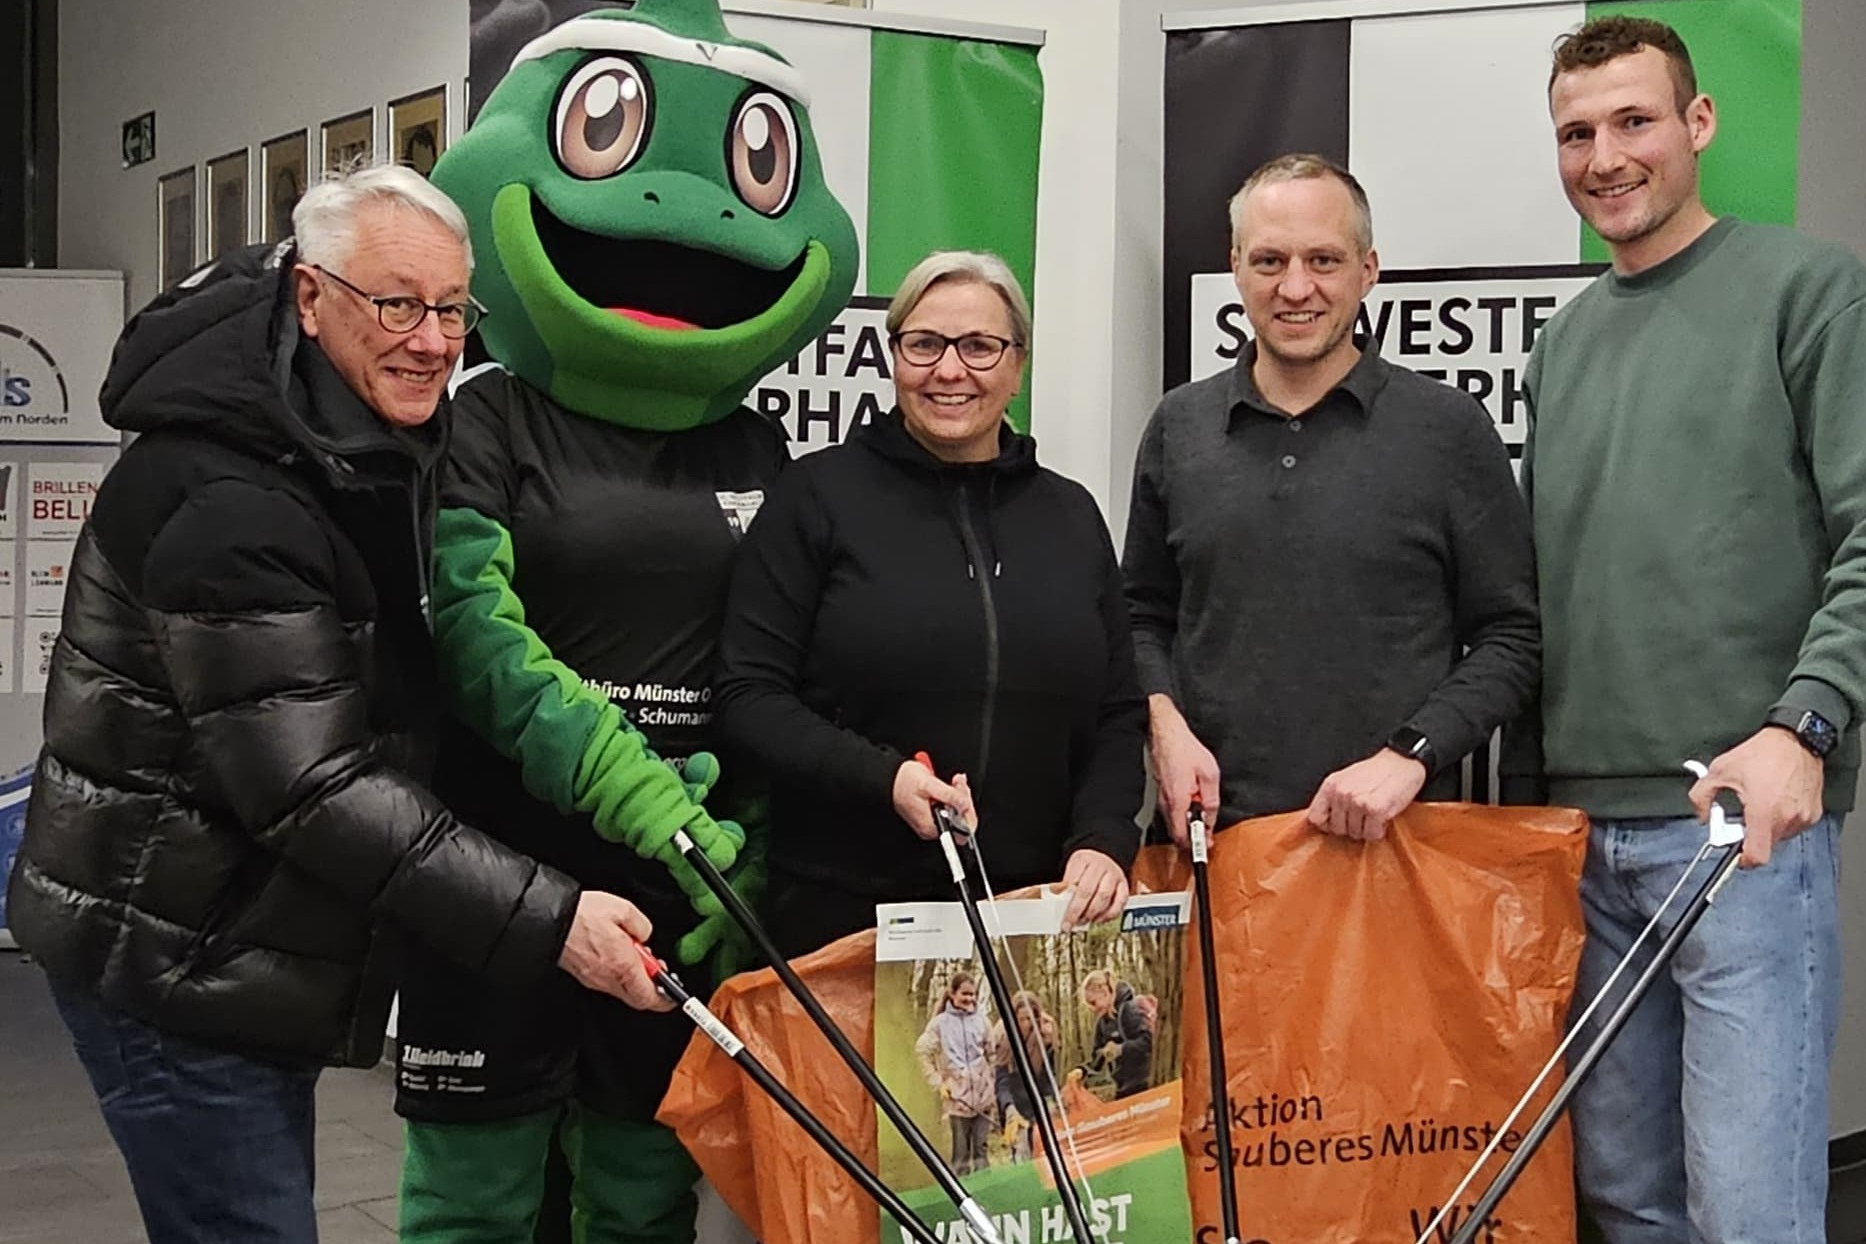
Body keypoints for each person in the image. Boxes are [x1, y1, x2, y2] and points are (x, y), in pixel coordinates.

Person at [2, 164, 670, 1244]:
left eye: (454, 308)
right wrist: (553, 916)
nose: (432, 338)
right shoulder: (229, 496)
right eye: (396, 302)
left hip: (242, 935)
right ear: (310, 298)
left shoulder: (356, 438)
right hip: (171, 953)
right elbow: (311, 783)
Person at [1517, 18, 1861, 1242]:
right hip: (1582, 839)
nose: (1604, 156)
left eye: (1633, 121)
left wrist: (1804, 723)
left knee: (1750, 1209)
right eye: (1576, 131)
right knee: (1628, 1202)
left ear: (1699, 122)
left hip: (1738, 831)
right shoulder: (1561, 345)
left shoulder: (1812, 290)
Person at [713, 249, 1147, 957]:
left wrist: (1103, 840)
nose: (950, 370)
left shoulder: (1071, 516)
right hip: (846, 916)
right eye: (924, 344)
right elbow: (747, 695)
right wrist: (885, 778)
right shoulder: (815, 497)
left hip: (1034, 914)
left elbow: (1118, 712)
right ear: (892, 357)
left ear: (1018, 364)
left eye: (979, 346)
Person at [1124, 153, 1539, 845]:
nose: (1295, 288)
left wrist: (1412, 754)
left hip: (1398, 854)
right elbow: (1140, 617)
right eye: (1269, 261)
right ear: (1235, 267)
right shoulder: (1180, 426)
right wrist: (1163, 727)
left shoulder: (1448, 429)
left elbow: (1513, 638)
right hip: (1215, 852)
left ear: (1367, 270)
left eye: (1323, 260)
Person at [915, 972, 997, 1175]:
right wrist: (938, 1083)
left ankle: (986, 1195)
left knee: (981, 1152)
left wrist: (991, 1084)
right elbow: (922, 1052)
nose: (969, 999)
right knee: (960, 1155)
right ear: (953, 994)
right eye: (964, 994)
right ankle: (962, 1198)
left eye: (973, 994)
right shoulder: (940, 1024)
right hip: (956, 1099)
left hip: (983, 1098)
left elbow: (992, 1054)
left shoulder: (983, 1021)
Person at [992, 990, 1060, 1161]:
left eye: (1029, 1019)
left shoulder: (1044, 1037)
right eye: (1020, 1019)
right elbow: (1001, 1082)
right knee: (1021, 1154)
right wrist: (1009, 1108)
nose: (1024, 1024)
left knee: (1043, 1154)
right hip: (1014, 1104)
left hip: (1037, 1105)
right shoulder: (1003, 1037)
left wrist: (1051, 1099)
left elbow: (1048, 1075)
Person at [1079, 970, 1152, 1101]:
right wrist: (1082, 1071)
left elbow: (1148, 1042)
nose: (1093, 1009)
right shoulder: (1102, 1023)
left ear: (1104, 992)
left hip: (1142, 1082)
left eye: (1093, 1003)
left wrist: (1121, 1049)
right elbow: (1096, 1057)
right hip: (1122, 1086)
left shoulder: (1129, 1009)